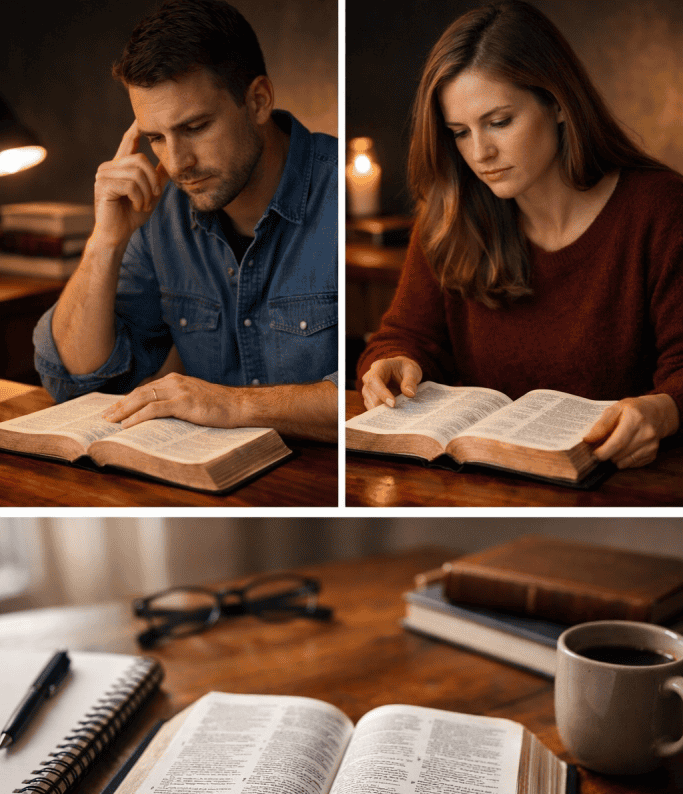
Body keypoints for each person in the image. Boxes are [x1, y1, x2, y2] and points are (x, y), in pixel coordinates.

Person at [358, 0, 683, 469]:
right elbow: (402, 339)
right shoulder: (449, 215)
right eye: (459, 132)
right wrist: (390, 363)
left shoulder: (660, 210)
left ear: (557, 103)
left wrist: (664, 409)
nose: (480, 152)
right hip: (476, 488)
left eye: (499, 122)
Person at [34, 0, 337, 442]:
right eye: (156, 137)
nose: (178, 164)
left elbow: (366, 397)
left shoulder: (336, 197)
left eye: (195, 127)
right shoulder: (162, 213)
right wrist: (106, 241)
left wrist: (230, 404)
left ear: (257, 101)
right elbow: (77, 381)